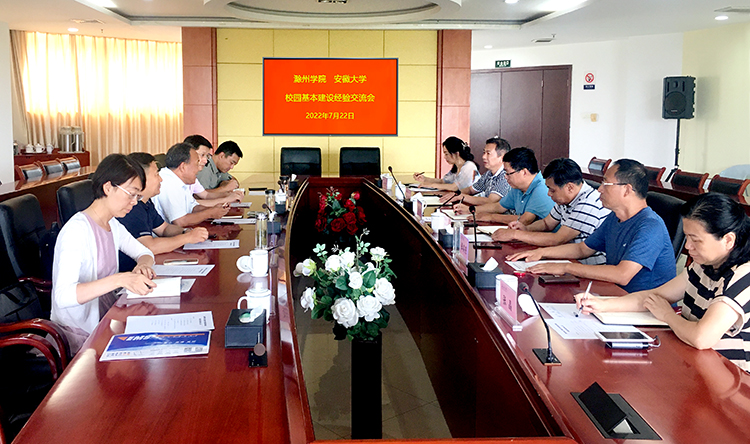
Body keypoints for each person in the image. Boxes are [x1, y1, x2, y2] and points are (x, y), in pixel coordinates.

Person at [576, 193, 750, 373]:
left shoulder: (744, 276)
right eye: (687, 237)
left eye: (696, 240)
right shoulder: (704, 265)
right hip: (695, 361)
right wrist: (602, 304)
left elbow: (701, 338)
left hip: (732, 375)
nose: (688, 246)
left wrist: (668, 315)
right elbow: (654, 297)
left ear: (728, 240)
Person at [509, 159, 675, 292]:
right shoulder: (614, 217)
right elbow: (583, 249)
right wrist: (540, 253)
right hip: (614, 294)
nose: (599, 189)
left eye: (606, 184)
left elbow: (622, 274)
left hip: (645, 308)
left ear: (627, 190)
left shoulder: (650, 226)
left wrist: (566, 267)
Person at [51, 154, 157, 351]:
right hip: (79, 336)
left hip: (108, 320)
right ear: (108, 187)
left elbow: (145, 252)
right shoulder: (77, 230)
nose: (134, 202)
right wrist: (120, 279)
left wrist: (143, 265)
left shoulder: (112, 224)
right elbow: (63, 296)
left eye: (137, 196)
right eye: (131, 194)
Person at [492, 158, 610, 265]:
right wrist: (525, 229)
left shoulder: (588, 203)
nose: (549, 194)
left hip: (588, 266)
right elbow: (546, 223)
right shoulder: (566, 198)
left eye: (552, 190)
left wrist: (516, 235)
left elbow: (558, 239)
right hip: (570, 260)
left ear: (569, 187)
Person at [116, 152, 210, 272]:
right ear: (140, 179)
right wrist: (187, 238)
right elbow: (150, 246)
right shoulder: (132, 207)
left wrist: (185, 231)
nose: (161, 179)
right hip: (130, 273)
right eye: (156, 175)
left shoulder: (146, 202)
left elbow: (164, 229)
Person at [456, 147, 554, 226]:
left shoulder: (542, 188)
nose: (505, 177)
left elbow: (525, 220)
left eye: (508, 173)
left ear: (524, 172)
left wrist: (491, 217)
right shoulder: (518, 188)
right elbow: (498, 207)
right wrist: (471, 210)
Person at [153, 142, 229, 227]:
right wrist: (210, 213)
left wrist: (215, 209)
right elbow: (180, 221)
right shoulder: (168, 182)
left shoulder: (180, 180)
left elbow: (192, 207)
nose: (199, 169)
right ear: (183, 167)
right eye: (196, 164)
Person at [438, 137, 511, 206]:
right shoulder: (489, 174)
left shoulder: (505, 175)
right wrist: (456, 194)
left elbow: (490, 201)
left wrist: (461, 197)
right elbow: (471, 189)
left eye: (488, 153)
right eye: (484, 152)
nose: (483, 157)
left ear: (502, 157)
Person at [183, 134, 243, 206]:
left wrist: (228, 194)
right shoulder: (203, 169)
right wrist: (225, 191)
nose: (205, 160)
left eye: (207, 156)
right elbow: (195, 200)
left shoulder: (192, 176)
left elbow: (205, 195)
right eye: (202, 155)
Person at [413, 136, 479, 191]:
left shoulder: (469, 166)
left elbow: (454, 187)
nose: (445, 157)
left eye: (446, 154)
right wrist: (425, 179)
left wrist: (432, 185)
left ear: (456, 154)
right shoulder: (456, 167)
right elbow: (443, 181)